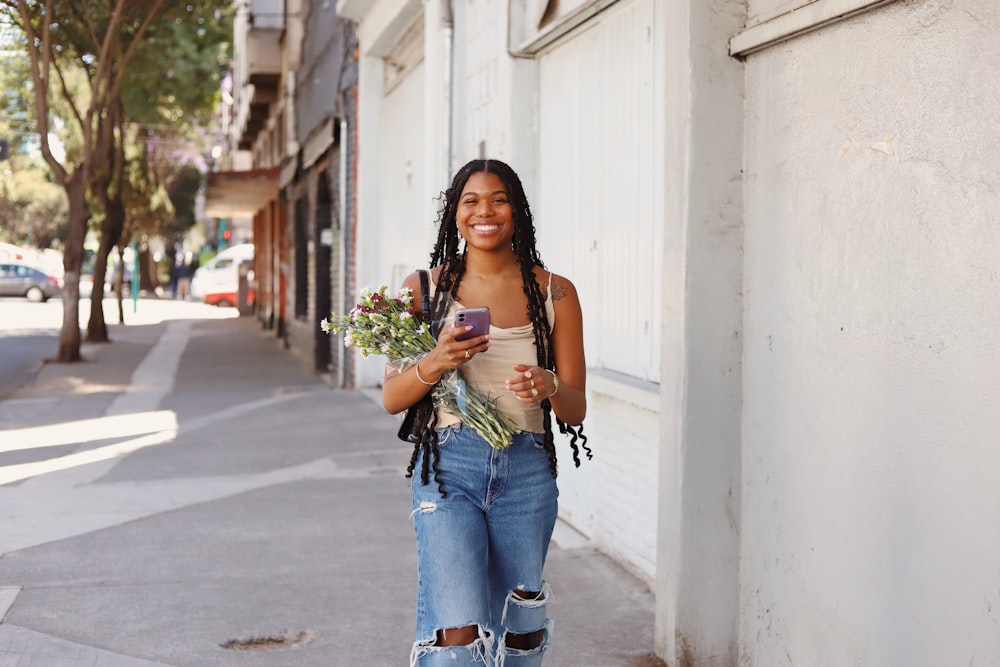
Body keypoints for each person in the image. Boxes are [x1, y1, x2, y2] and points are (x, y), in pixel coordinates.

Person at [382, 158, 590, 666]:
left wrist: (548, 385)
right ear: (454, 213)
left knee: (519, 628)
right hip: (448, 469)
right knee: (456, 628)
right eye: (471, 200)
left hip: (526, 470)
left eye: (499, 198)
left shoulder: (555, 291)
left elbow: (577, 408)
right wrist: (438, 359)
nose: (485, 211)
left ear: (517, 210)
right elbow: (391, 397)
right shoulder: (422, 289)